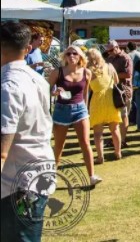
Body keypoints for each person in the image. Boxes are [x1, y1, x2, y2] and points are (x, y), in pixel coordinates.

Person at [1, 22, 55, 241]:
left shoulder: (8, 87)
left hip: (16, 183)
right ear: (27, 48)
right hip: (35, 175)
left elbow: (2, 150)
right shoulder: (38, 80)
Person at [47, 46, 101, 185]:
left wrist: (86, 109)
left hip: (80, 110)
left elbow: (86, 93)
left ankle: (92, 176)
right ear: (65, 57)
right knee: (59, 145)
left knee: (85, 142)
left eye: (75, 53)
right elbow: (45, 89)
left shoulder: (86, 73)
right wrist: (54, 93)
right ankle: (52, 177)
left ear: (80, 57)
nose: (71, 55)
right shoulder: (57, 72)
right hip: (61, 109)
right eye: (68, 53)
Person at [86, 49, 122, 163]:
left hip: (97, 100)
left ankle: (100, 157)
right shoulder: (110, 66)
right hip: (111, 99)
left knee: (97, 132)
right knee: (115, 129)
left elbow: (88, 88)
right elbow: (116, 81)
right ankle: (118, 152)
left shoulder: (88, 71)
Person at [105, 40, 133, 147]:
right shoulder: (110, 58)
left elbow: (128, 74)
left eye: (111, 50)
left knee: (124, 115)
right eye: (108, 51)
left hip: (123, 91)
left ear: (117, 47)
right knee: (114, 117)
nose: (110, 52)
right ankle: (115, 139)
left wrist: (112, 74)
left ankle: (122, 140)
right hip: (112, 90)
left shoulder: (125, 58)